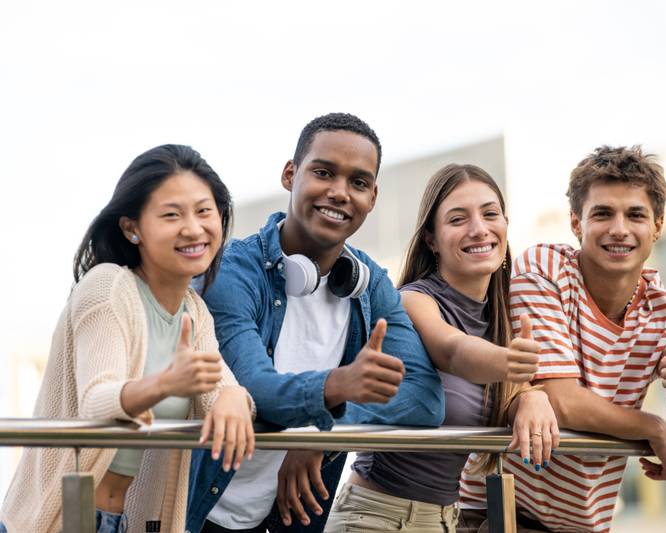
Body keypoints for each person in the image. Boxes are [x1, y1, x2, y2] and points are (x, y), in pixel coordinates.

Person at [186, 113, 445, 533]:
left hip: (285, 518)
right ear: (290, 175)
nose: (340, 193)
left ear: (373, 197)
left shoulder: (370, 283)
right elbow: (255, 387)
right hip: (198, 511)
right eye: (323, 172)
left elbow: (424, 399)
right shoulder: (231, 272)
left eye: (358, 183)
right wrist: (335, 389)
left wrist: (324, 433)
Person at [458, 145, 666, 532]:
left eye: (635, 215)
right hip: (498, 512)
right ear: (576, 222)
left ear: (657, 225)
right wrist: (651, 427)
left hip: (584, 525)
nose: (619, 229)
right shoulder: (545, 269)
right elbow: (560, 401)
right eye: (603, 213)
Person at [0, 144, 255, 533]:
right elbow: (96, 401)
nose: (193, 228)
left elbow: (216, 395)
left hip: (121, 522)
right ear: (131, 227)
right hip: (61, 520)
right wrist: (166, 383)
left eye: (205, 211)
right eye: (172, 215)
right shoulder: (107, 288)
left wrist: (237, 397)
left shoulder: (193, 311)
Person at [323, 163, 559, 533]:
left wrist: (530, 396)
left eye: (490, 214)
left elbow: (502, 391)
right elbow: (453, 351)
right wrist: (509, 362)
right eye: (458, 219)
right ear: (431, 239)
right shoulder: (414, 301)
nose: (479, 229)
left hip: (443, 520)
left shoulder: (499, 318)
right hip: (374, 517)